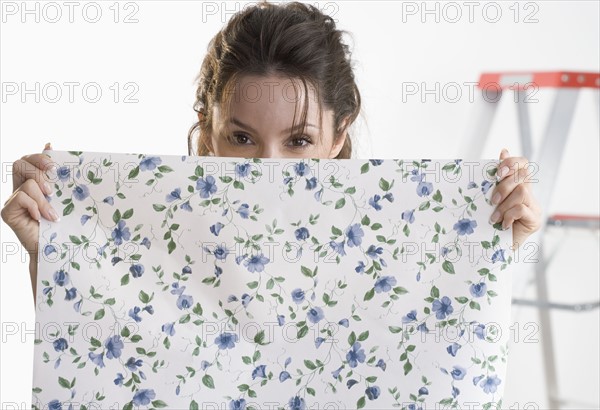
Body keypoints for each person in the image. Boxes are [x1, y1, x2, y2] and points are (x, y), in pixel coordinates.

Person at [1, 1, 542, 305]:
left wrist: (496, 249)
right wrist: (49, 251)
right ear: (206, 130)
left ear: (338, 134)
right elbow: (94, 368)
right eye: (241, 138)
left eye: (299, 141)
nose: (269, 170)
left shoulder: (391, 250)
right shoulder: (149, 238)